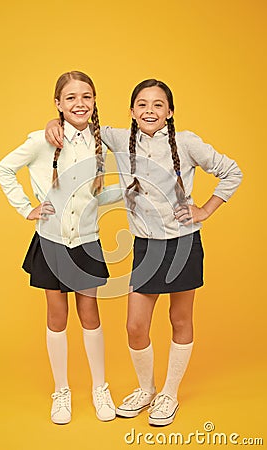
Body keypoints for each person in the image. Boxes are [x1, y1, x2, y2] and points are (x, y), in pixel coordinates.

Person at [45, 78, 242, 426]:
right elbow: (81, 121)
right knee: (136, 327)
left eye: (158, 104)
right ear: (132, 111)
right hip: (145, 245)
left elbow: (231, 172)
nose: (149, 110)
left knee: (180, 320)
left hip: (183, 242)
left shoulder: (186, 142)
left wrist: (205, 209)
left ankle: (169, 394)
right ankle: (147, 388)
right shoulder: (121, 139)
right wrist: (52, 122)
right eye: (142, 104)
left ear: (170, 112)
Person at [0, 71, 122, 425]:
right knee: (56, 317)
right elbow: (4, 169)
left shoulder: (101, 143)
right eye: (70, 98)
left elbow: (96, 195)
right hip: (51, 243)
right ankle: (61, 391)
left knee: (91, 316)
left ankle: (100, 387)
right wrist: (27, 208)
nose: (79, 104)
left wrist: (124, 193)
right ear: (58, 104)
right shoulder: (42, 139)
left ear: (95, 101)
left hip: (87, 243)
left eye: (86, 97)